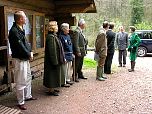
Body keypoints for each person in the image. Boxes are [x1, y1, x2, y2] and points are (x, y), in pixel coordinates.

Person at [8, 11, 36, 110]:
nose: (26, 19)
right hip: (19, 59)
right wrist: (29, 54)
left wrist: (30, 52)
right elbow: (20, 47)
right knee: (20, 80)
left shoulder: (20, 28)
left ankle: (28, 96)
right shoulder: (14, 31)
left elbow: (26, 43)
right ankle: (20, 102)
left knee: (28, 77)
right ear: (20, 19)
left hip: (25, 58)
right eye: (25, 18)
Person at [43, 21, 65, 96]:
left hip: (54, 60)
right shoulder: (51, 37)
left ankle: (52, 88)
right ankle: (51, 90)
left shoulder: (53, 36)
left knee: (54, 75)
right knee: (51, 75)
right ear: (53, 28)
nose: (58, 27)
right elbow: (52, 51)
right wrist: (55, 62)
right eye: (56, 26)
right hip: (52, 61)